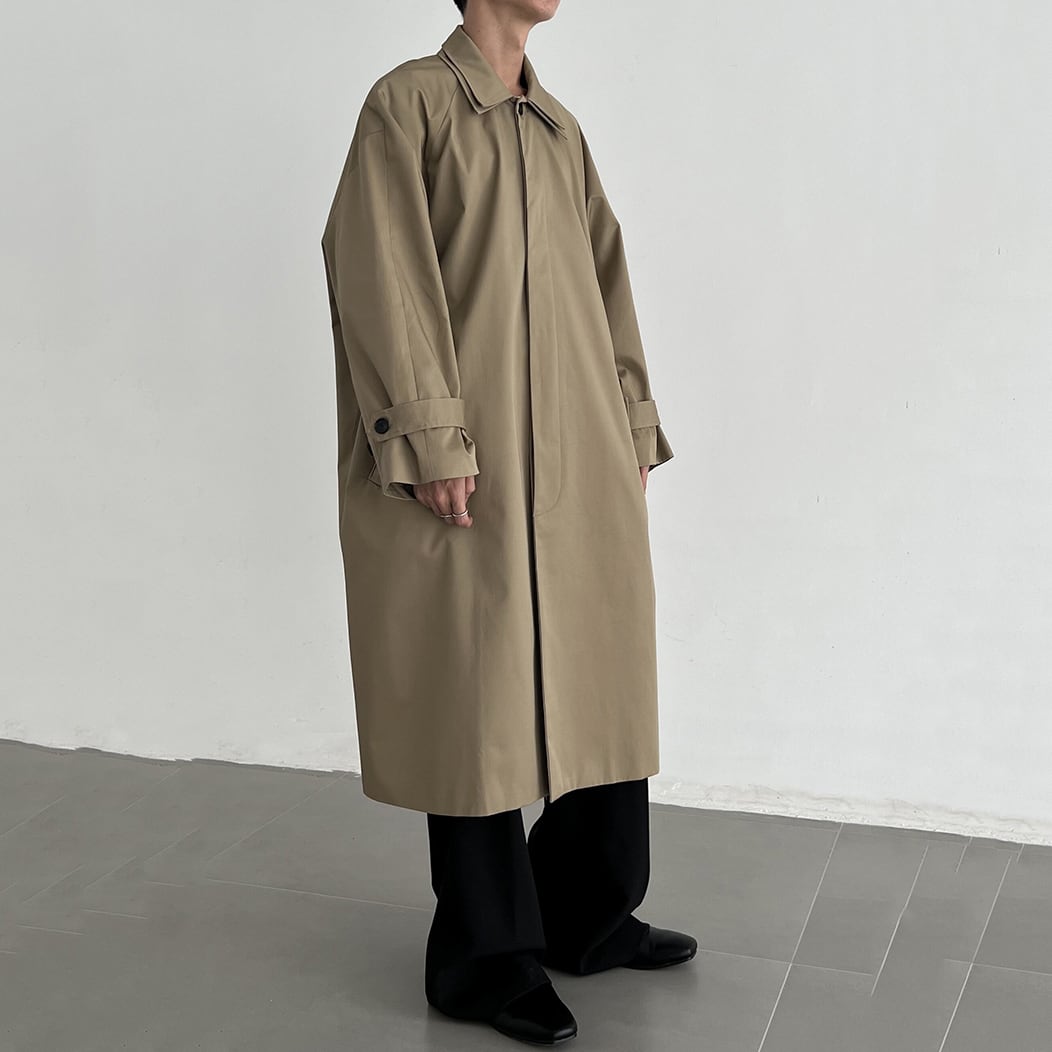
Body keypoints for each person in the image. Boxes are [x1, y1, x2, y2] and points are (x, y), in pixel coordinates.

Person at [320, 0, 694, 1043]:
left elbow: (607, 286)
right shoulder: (407, 106)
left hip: (581, 458)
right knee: (473, 696)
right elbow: (381, 275)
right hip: (471, 463)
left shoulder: (559, 129)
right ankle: (483, 961)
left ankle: (590, 916)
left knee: (601, 675)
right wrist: (429, 435)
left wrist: (630, 423)